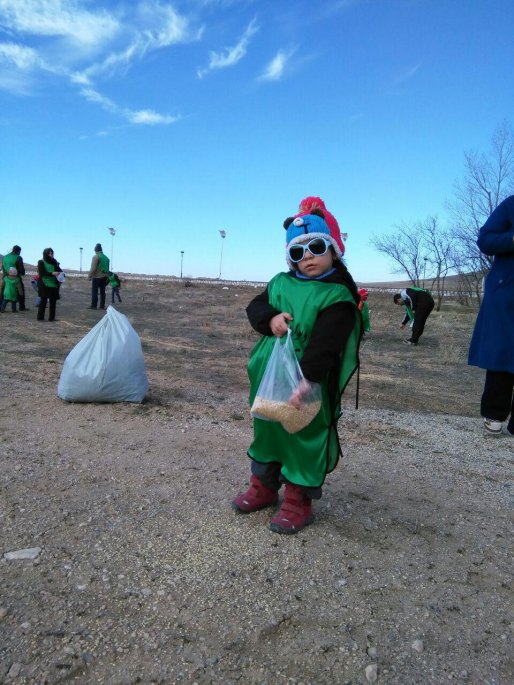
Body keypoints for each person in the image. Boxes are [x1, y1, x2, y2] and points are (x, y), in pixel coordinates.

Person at [232, 209, 362, 534]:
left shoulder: (337, 295)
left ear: (333, 249)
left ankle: (297, 500)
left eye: (316, 247)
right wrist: (270, 319)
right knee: (268, 431)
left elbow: (327, 344)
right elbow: (255, 307)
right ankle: (263, 487)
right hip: (270, 381)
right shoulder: (279, 283)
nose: (308, 257)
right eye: (297, 251)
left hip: (309, 383)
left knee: (304, 437)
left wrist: (308, 381)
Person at [468, 195, 514, 436]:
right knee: (503, 351)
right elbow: (485, 239)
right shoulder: (511, 205)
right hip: (507, 291)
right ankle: (495, 414)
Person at [37, 248, 62, 322]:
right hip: (44, 284)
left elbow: (59, 270)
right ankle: (40, 317)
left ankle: (52, 318)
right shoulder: (41, 262)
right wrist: (52, 273)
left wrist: (61, 276)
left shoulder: (54, 262)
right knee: (43, 300)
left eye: (52, 253)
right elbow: (42, 273)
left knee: (53, 301)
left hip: (53, 284)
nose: (51, 255)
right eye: (49, 253)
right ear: (45, 254)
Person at [1, 245, 29, 311]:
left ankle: (1, 306)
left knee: (3, 292)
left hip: (5, 277)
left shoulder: (5, 257)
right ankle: (21, 307)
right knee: (20, 291)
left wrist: (5, 275)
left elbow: (3, 267)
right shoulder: (18, 257)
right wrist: (22, 273)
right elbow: (21, 269)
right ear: (18, 251)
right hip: (15, 277)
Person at [88, 243, 110, 310]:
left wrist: (90, 275)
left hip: (97, 276)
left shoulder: (96, 257)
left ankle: (94, 306)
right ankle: (102, 306)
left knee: (95, 291)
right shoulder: (106, 258)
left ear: (95, 250)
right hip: (105, 277)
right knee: (102, 292)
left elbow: (93, 268)